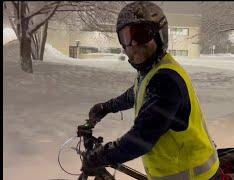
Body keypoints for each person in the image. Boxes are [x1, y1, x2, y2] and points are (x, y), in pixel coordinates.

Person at [79, 1, 220, 179]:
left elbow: (141, 138)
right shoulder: (152, 71)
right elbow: (135, 93)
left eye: (142, 34)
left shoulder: (166, 80)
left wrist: (102, 155)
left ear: (160, 35)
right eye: (126, 37)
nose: (134, 44)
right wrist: (107, 107)